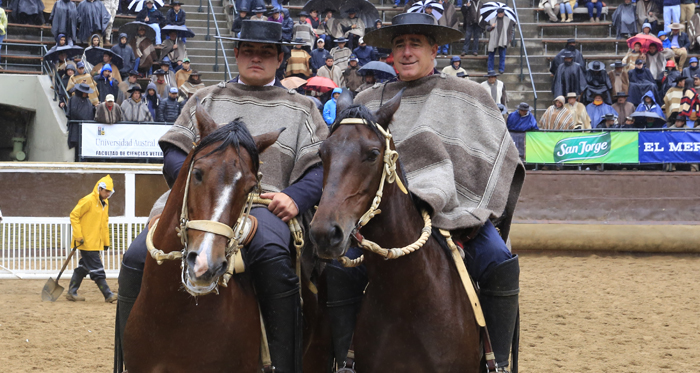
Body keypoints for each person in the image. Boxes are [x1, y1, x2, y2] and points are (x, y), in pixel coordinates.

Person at [114, 20, 328, 373]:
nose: (255, 58)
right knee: (137, 256)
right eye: (248, 51)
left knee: (272, 255)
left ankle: (284, 363)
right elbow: (174, 152)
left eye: (265, 53)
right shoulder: (206, 97)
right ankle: (126, 361)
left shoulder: (303, 107)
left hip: (266, 206)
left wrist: (295, 197)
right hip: (196, 203)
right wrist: (194, 188)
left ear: (279, 59)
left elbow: (319, 167)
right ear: (236, 54)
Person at [353, 11, 523, 372]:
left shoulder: (469, 95)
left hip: (457, 215)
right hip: (380, 221)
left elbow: (498, 157)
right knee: (338, 268)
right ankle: (343, 359)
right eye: (399, 44)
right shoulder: (367, 101)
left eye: (416, 43)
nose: (406, 51)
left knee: (498, 261)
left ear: (434, 49)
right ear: (391, 54)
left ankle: (498, 362)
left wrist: (475, 209)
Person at [67, 175, 118, 303]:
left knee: (84, 266)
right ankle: (108, 294)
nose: (107, 194)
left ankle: (71, 292)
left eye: (109, 192)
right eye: (106, 191)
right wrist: (78, 235)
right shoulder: (88, 200)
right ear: (99, 189)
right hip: (85, 242)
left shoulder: (105, 203)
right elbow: (74, 215)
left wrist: (106, 242)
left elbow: (104, 224)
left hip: (95, 242)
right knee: (97, 269)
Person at [486, 8, 514, 74]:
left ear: (504, 13)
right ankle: (490, 69)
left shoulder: (508, 20)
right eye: (499, 13)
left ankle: (501, 69)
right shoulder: (492, 19)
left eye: (501, 13)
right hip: (493, 40)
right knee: (491, 55)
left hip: (503, 40)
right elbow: (487, 29)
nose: (500, 14)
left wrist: (509, 39)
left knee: (502, 56)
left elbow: (511, 30)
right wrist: (491, 27)